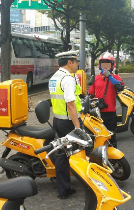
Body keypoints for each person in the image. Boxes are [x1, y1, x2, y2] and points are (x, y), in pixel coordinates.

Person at [48, 50, 83, 199]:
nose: (77, 65)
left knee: (62, 154)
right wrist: (77, 126)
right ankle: (89, 184)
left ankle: (64, 189)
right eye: (76, 62)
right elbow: (70, 104)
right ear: (70, 62)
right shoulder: (67, 78)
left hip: (58, 120)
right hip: (69, 122)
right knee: (80, 151)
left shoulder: (54, 77)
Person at [88, 52, 124, 148]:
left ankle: (115, 161)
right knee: (98, 138)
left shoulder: (115, 77)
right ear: (99, 66)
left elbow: (120, 87)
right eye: (103, 65)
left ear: (112, 66)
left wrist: (110, 77)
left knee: (112, 138)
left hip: (111, 113)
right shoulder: (95, 79)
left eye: (108, 65)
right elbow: (90, 95)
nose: (105, 68)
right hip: (97, 114)